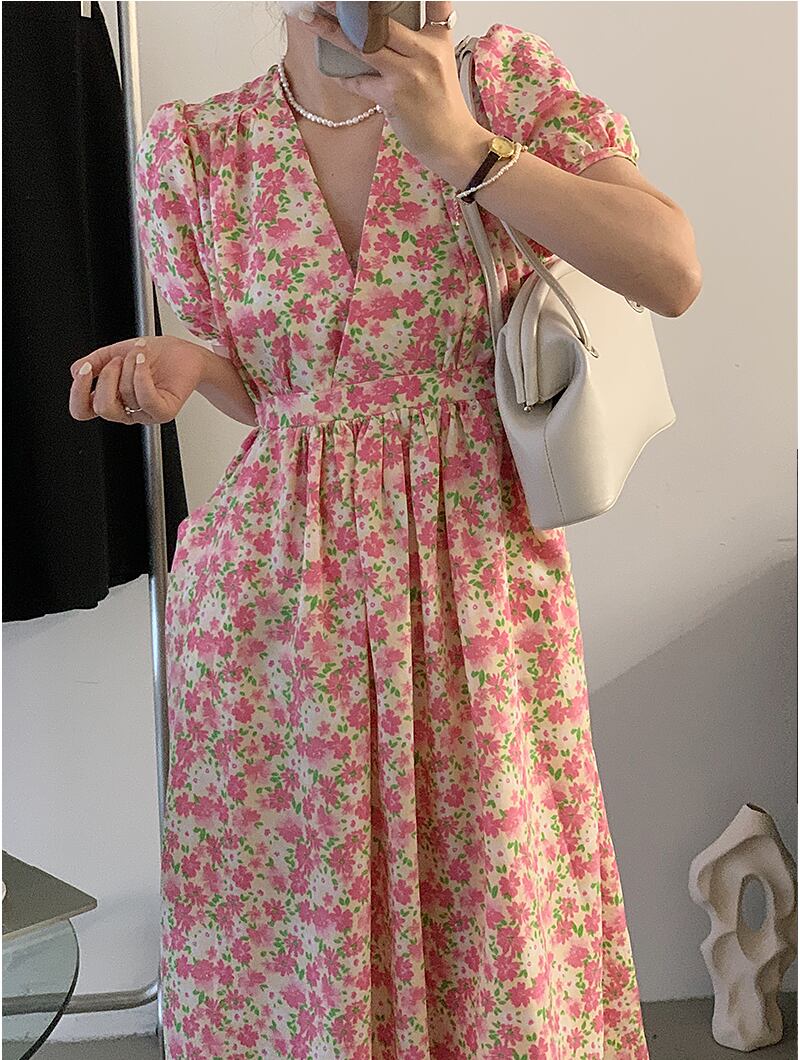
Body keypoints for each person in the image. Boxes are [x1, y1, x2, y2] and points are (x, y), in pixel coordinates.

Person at [69, 3, 701, 1057]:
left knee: (499, 926)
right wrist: (193, 368)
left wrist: (464, 149)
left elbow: (669, 268)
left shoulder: (499, 88)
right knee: (298, 945)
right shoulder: (197, 151)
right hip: (277, 611)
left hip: (471, 593)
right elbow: (281, 391)